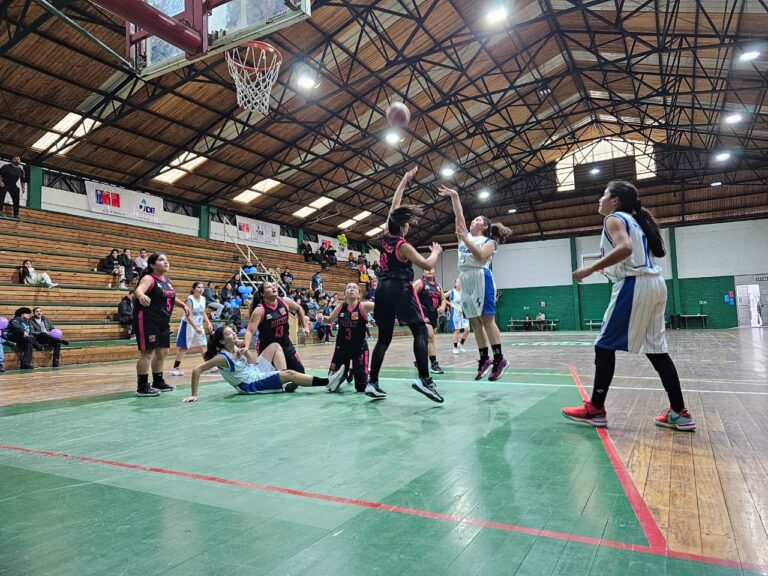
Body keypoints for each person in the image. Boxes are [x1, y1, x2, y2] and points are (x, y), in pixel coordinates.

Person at [562, 180, 696, 430]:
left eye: (603, 193)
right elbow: (630, 252)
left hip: (634, 285)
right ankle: (679, 412)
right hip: (655, 284)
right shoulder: (636, 221)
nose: (599, 199)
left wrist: (591, 268)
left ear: (615, 200)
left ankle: (596, 409)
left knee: (603, 346)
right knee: (657, 351)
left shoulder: (613, 219)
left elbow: (625, 248)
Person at [368, 166, 443, 402]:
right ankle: (424, 379)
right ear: (402, 226)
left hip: (381, 290)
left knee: (383, 338)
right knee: (421, 330)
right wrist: (437, 252)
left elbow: (394, 205)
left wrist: (404, 180)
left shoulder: (385, 236)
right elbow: (425, 263)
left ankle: (373, 383)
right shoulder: (403, 245)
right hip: (400, 288)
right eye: (407, 223)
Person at [439, 185, 512, 381]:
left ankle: (499, 359)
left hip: (481, 276)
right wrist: (454, 196)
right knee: (474, 322)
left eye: (478, 219)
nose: (474, 220)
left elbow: (480, 256)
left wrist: (465, 239)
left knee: (487, 320)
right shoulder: (465, 236)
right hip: (465, 278)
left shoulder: (489, 242)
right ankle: (484, 359)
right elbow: (459, 215)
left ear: (486, 226)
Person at [182, 326, 331, 402]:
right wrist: (194, 395)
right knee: (290, 374)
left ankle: (283, 380)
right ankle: (328, 382)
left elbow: (253, 363)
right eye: (229, 333)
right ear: (221, 341)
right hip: (249, 384)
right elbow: (197, 370)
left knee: (274, 346)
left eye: (232, 331)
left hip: (254, 372)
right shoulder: (222, 358)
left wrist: (245, 350)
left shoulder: (236, 348)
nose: (233, 333)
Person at [133, 253, 190, 397]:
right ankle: (142, 386)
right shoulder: (148, 278)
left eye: (167, 260)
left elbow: (171, 296)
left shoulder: (167, 281)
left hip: (163, 321)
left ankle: (158, 381)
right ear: (152, 265)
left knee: (162, 352)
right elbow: (138, 290)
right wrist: (141, 296)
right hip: (147, 320)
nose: (166, 262)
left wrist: (183, 305)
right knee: (148, 353)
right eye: (161, 260)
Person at [319, 282, 374, 393]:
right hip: (342, 348)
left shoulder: (364, 306)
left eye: (354, 288)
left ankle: (357, 370)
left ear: (358, 294)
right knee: (331, 385)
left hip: (359, 349)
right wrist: (321, 317)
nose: (351, 289)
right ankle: (347, 372)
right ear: (344, 294)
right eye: (348, 288)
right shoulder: (340, 308)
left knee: (361, 387)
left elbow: (382, 308)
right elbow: (329, 320)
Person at [242, 281, 309, 372]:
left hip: (285, 344)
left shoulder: (284, 301)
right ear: (262, 293)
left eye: (274, 286)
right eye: (268, 287)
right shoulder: (260, 310)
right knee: (274, 378)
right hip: (267, 348)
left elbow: (299, 309)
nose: (273, 288)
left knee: (300, 373)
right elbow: (250, 330)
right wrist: (246, 346)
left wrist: (305, 326)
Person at [171, 281, 213, 377]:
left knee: (203, 345)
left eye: (202, 287)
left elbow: (202, 313)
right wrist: (195, 327)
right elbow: (188, 316)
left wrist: (209, 323)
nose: (201, 289)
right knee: (184, 348)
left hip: (198, 325)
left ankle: (209, 366)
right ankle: (175, 368)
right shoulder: (189, 300)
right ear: (193, 289)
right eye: (198, 287)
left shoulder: (203, 298)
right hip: (188, 325)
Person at [413, 268, 446, 374]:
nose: (429, 270)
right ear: (423, 271)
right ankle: (434, 364)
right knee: (430, 337)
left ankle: (419, 360)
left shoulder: (438, 286)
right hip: (422, 314)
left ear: (435, 271)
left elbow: (443, 299)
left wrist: (442, 307)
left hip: (433, 315)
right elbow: (409, 295)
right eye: (426, 269)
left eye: (431, 269)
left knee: (425, 341)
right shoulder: (419, 283)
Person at [445, 279, 470, 354]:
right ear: (455, 284)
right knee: (457, 330)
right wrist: (449, 304)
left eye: (460, 282)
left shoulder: (464, 292)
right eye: (457, 282)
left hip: (464, 312)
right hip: (456, 313)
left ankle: (461, 344)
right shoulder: (452, 291)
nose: (459, 283)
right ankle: (455, 347)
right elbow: (442, 297)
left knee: (467, 329)